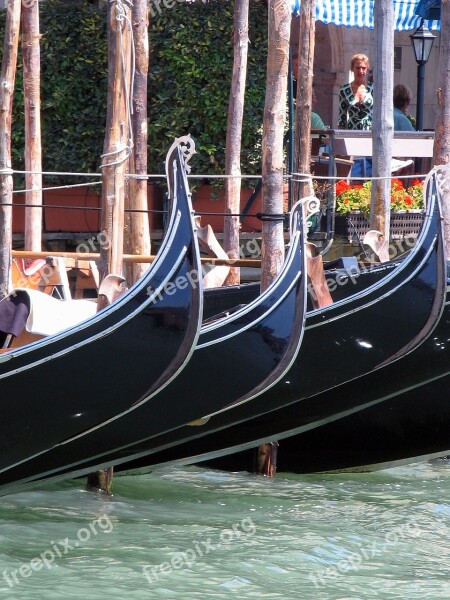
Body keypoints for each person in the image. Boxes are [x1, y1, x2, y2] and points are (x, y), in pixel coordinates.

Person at [338, 53, 374, 177]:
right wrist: (340, 141)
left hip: (369, 132)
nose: (361, 71)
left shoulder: (373, 89)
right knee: (352, 168)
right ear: (352, 69)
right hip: (351, 132)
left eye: (363, 68)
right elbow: (342, 117)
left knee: (369, 167)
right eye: (358, 68)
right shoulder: (344, 90)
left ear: (367, 69)